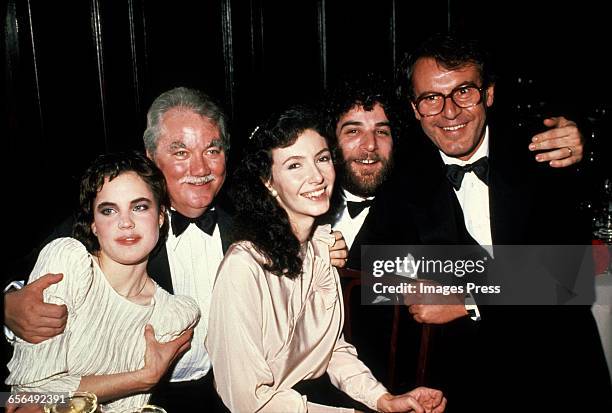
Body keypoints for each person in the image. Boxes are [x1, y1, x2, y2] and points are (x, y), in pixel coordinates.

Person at [3, 87, 348, 410]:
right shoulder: (113, 224)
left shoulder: (253, 227)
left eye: (212, 150)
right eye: (180, 152)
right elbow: (23, 390)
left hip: (230, 398)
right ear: (151, 157)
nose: (200, 169)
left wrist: (318, 252)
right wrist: (7, 307)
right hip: (134, 399)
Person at [320, 73, 587, 390]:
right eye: (353, 131)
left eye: (383, 131)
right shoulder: (296, 208)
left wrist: (468, 300)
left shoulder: (410, 201)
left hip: (418, 384)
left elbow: (568, 272)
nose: (370, 146)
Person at [393, 33, 612, 412]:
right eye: (431, 98)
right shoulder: (402, 181)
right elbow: (385, 272)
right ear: (415, 109)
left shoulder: (543, 155)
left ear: (489, 93)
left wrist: (469, 299)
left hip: (560, 376)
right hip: (466, 387)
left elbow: (569, 273)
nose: (449, 112)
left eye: (464, 92)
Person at [206, 105, 447, 413]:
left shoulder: (321, 249)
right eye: (295, 165)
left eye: (321, 159)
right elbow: (246, 400)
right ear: (268, 182)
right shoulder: (244, 266)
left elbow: (331, 349)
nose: (317, 176)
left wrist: (383, 400)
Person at [5, 151, 200, 412]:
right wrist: (140, 379)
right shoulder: (68, 263)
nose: (126, 223)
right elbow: (22, 401)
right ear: (94, 225)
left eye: (139, 207)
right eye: (109, 211)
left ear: (161, 216)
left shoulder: (173, 313)